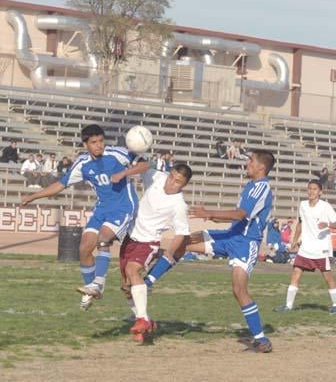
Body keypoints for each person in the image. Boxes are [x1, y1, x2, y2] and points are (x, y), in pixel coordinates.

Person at [145, 149, 275, 353]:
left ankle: (261, 339)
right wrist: (212, 218)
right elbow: (238, 218)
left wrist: (209, 213)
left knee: (239, 289)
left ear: (261, 167)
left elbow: (240, 214)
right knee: (183, 242)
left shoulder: (261, 187)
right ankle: (148, 282)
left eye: (251, 161)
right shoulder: (251, 185)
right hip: (230, 236)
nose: (247, 163)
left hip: (245, 243)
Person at [21, 124, 149, 310]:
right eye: (94, 142)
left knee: (103, 239)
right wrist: (32, 197)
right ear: (85, 144)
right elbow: (60, 185)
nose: (99, 145)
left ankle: (98, 284)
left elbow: (146, 164)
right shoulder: (82, 164)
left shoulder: (117, 153)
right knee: (84, 248)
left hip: (123, 207)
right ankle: (91, 288)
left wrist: (124, 172)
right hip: (102, 208)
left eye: (101, 141)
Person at [119, 163, 192, 343]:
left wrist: (169, 253)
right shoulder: (157, 177)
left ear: (184, 185)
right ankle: (147, 322)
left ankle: (142, 319)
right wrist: (128, 169)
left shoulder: (179, 205)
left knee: (132, 270)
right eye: (171, 177)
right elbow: (143, 166)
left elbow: (182, 233)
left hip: (148, 241)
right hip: (129, 237)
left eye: (177, 182)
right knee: (127, 288)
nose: (171, 183)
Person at [274, 179, 336, 314]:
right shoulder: (303, 205)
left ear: (320, 192)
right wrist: (294, 240)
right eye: (309, 188)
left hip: (321, 249)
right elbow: (300, 223)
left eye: (314, 189)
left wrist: (327, 225)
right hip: (305, 248)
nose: (311, 191)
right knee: (295, 275)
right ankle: (288, 305)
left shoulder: (325, 206)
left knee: (328, 277)